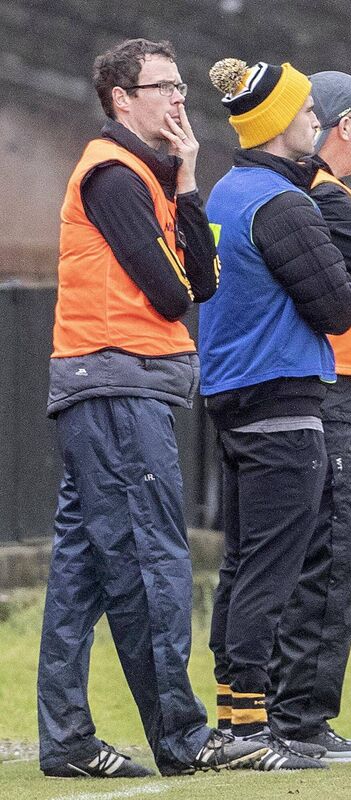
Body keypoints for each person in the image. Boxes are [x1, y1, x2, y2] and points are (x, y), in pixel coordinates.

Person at [37, 38, 265, 779]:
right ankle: (184, 737)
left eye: (180, 88)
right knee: (151, 560)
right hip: (113, 386)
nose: (178, 101)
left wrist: (192, 180)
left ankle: (68, 740)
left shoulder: (156, 177)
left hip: (115, 387)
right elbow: (171, 293)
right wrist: (177, 193)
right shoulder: (112, 175)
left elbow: (198, 281)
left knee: (82, 570)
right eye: (162, 87)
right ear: (120, 99)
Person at [200, 57, 351, 771]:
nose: (316, 122)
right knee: (272, 568)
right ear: (274, 126)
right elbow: (336, 308)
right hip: (283, 403)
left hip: (232, 400)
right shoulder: (284, 203)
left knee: (242, 562)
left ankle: (234, 717)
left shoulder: (225, 194)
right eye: (304, 113)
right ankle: (249, 733)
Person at [267, 71, 351, 762]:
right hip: (331, 392)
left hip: (334, 390)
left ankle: (278, 714)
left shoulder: (318, 196)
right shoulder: (325, 199)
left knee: (314, 554)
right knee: (332, 558)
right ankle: (300, 722)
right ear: (342, 125)